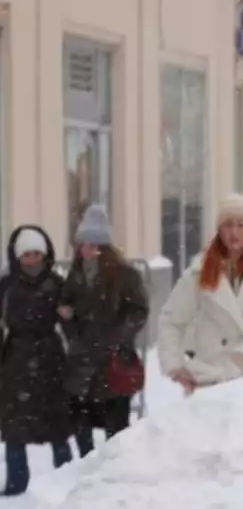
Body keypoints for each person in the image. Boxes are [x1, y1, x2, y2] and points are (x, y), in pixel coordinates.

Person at [157, 195, 243, 392]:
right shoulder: (199, 272)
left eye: (241, 224)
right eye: (227, 225)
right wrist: (175, 366)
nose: (234, 232)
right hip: (212, 379)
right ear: (219, 229)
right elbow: (171, 320)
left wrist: (242, 357)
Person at [59, 206, 149, 456]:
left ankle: (112, 474)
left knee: (117, 428)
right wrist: (68, 322)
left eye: (92, 243)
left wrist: (118, 338)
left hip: (114, 360)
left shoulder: (125, 275)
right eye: (82, 244)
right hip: (82, 361)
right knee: (81, 424)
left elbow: (139, 310)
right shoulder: (75, 275)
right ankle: (87, 472)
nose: (86, 249)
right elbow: (66, 308)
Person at [0, 226, 73, 496]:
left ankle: (66, 478)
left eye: (36, 254)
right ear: (18, 257)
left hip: (49, 357)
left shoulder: (56, 283)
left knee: (57, 422)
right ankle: (16, 483)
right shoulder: (6, 286)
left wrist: (69, 320)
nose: (32, 260)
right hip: (15, 358)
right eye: (27, 255)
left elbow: (70, 324)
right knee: (14, 427)